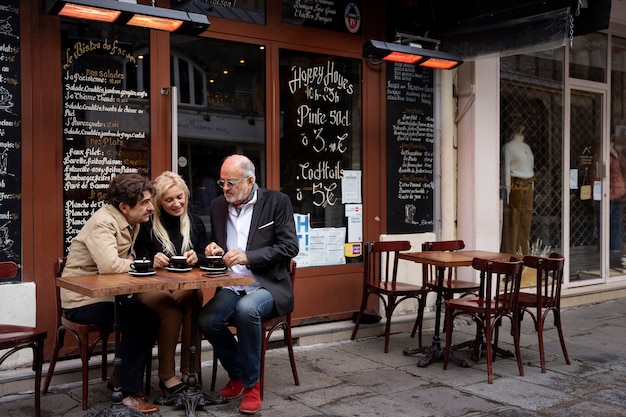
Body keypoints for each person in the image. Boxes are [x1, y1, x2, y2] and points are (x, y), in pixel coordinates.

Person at [197, 154, 299, 415]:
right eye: (222, 183)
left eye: (231, 183)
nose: (225, 189)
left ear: (250, 180)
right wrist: (212, 249)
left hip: (268, 285)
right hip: (232, 284)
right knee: (207, 319)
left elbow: (289, 247)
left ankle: (252, 387)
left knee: (247, 309)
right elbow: (216, 243)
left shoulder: (277, 202)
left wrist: (248, 256)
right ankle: (239, 373)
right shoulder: (219, 205)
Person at [60, 173, 160, 414]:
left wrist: (134, 261)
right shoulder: (104, 222)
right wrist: (146, 264)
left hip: (106, 294)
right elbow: (110, 266)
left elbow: (123, 259)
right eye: (145, 202)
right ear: (125, 207)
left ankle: (121, 378)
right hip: (82, 299)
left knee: (149, 315)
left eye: (149, 201)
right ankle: (128, 394)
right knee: (139, 320)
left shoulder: (131, 221)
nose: (150, 207)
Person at [133, 171, 209, 400]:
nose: (177, 204)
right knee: (170, 309)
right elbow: (135, 259)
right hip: (151, 287)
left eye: (180, 197)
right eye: (169, 200)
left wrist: (198, 257)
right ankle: (166, 376)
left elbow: (206, 252)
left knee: (193, 301)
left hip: (183, 285)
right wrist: (151, 261)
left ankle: (190, 372)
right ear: (158, 202)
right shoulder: (146, 224)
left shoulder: (194, 222)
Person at [501, 126, 535, 254]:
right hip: (516, 184)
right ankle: (510, 253)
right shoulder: (508, 147)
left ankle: (523, 253)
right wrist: (507, 190)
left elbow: (530, 168)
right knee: (512, 220)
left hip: (528, 183)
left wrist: (532, 187)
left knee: (525, 221)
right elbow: (506, 169)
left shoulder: (527, 147)